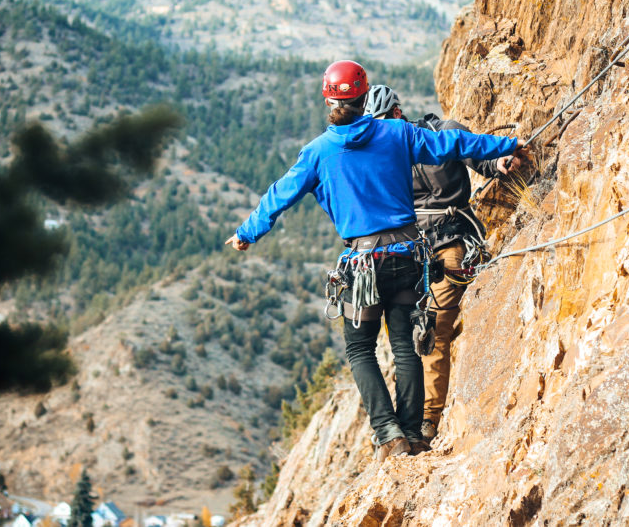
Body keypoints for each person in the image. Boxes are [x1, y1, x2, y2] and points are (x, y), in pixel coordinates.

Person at [225, 60, 527, 462]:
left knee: (361, 349)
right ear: (364, 97)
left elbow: (279, 195)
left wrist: (247, 233)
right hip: (407, 255)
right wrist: (508, 145)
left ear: (328, 99)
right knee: (405, 345)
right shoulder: (398, 133)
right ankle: (414, 435)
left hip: (364, 263)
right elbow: (454, 144)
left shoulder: (317, 153)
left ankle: (388, 434)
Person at [365, 84, 516, 443]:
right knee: (409, 337)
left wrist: (499, 162)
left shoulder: (442, 133)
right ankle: (414, 420)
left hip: (451, 242)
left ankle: (426, 422)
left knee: (433, 331)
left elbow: (476, 155)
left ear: (397, 116)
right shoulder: (383, 154)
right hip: (410, 251)